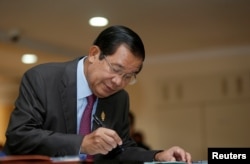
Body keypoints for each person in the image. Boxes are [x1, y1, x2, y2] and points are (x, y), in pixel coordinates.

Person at [3, 25, 191, 163]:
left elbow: (122, 149)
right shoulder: (42, 79)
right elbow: (19, 137)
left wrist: (158, 156)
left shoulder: (120, 98)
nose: (118, 82)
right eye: (115, 69)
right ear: (94, 54)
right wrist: (82, 143)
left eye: (128, 76)